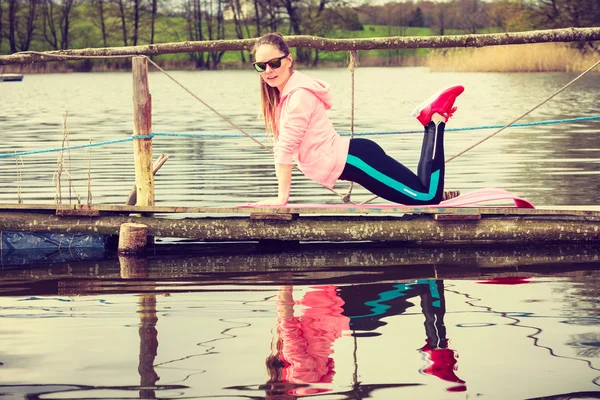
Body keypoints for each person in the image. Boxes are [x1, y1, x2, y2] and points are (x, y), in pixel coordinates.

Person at [251, 32, 464, 206]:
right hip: (355, 157)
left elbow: (285, 149)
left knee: (426, 197)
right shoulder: (287, 96)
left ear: (288, 60)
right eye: (262, 66)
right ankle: (430, 128)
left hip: (356, 160)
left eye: (274, 63)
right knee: (422, 192)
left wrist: (282, 199)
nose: (268, 70)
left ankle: (435, 120)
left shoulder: (298, 97)